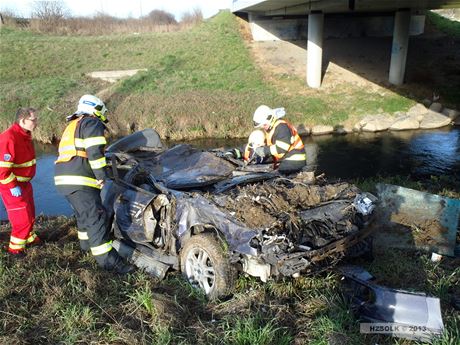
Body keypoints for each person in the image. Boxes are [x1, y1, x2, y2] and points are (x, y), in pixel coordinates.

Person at [54, 95, 134, 274]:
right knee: (96, 218)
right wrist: (101, 176)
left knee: (84, 216)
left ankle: (85, 248)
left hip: (64, 178)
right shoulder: (92, 123)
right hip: (79, 179)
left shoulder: (74, 124)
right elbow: (94, 152)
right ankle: (109, 262)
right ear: (96, 109)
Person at [0, 107, 40, 256]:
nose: (36, 122)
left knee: (30, 212)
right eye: (33, 119)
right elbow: (2, 171)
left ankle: (28, 237)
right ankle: (15, 250)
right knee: (21, 218)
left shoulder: (25, 135)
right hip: (11, 186)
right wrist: (12, 186)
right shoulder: (9, 138)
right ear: (23, 120)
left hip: (24, 184)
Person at [251, 104, 306, 174]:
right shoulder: (272, 128)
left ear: (271, 119)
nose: (263, 127)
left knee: (276, 175)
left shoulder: (282, 127)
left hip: (295, 159)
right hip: (287, 158)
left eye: (264, 124)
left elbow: (281, 148)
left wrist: (264, 150)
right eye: (262, 126)